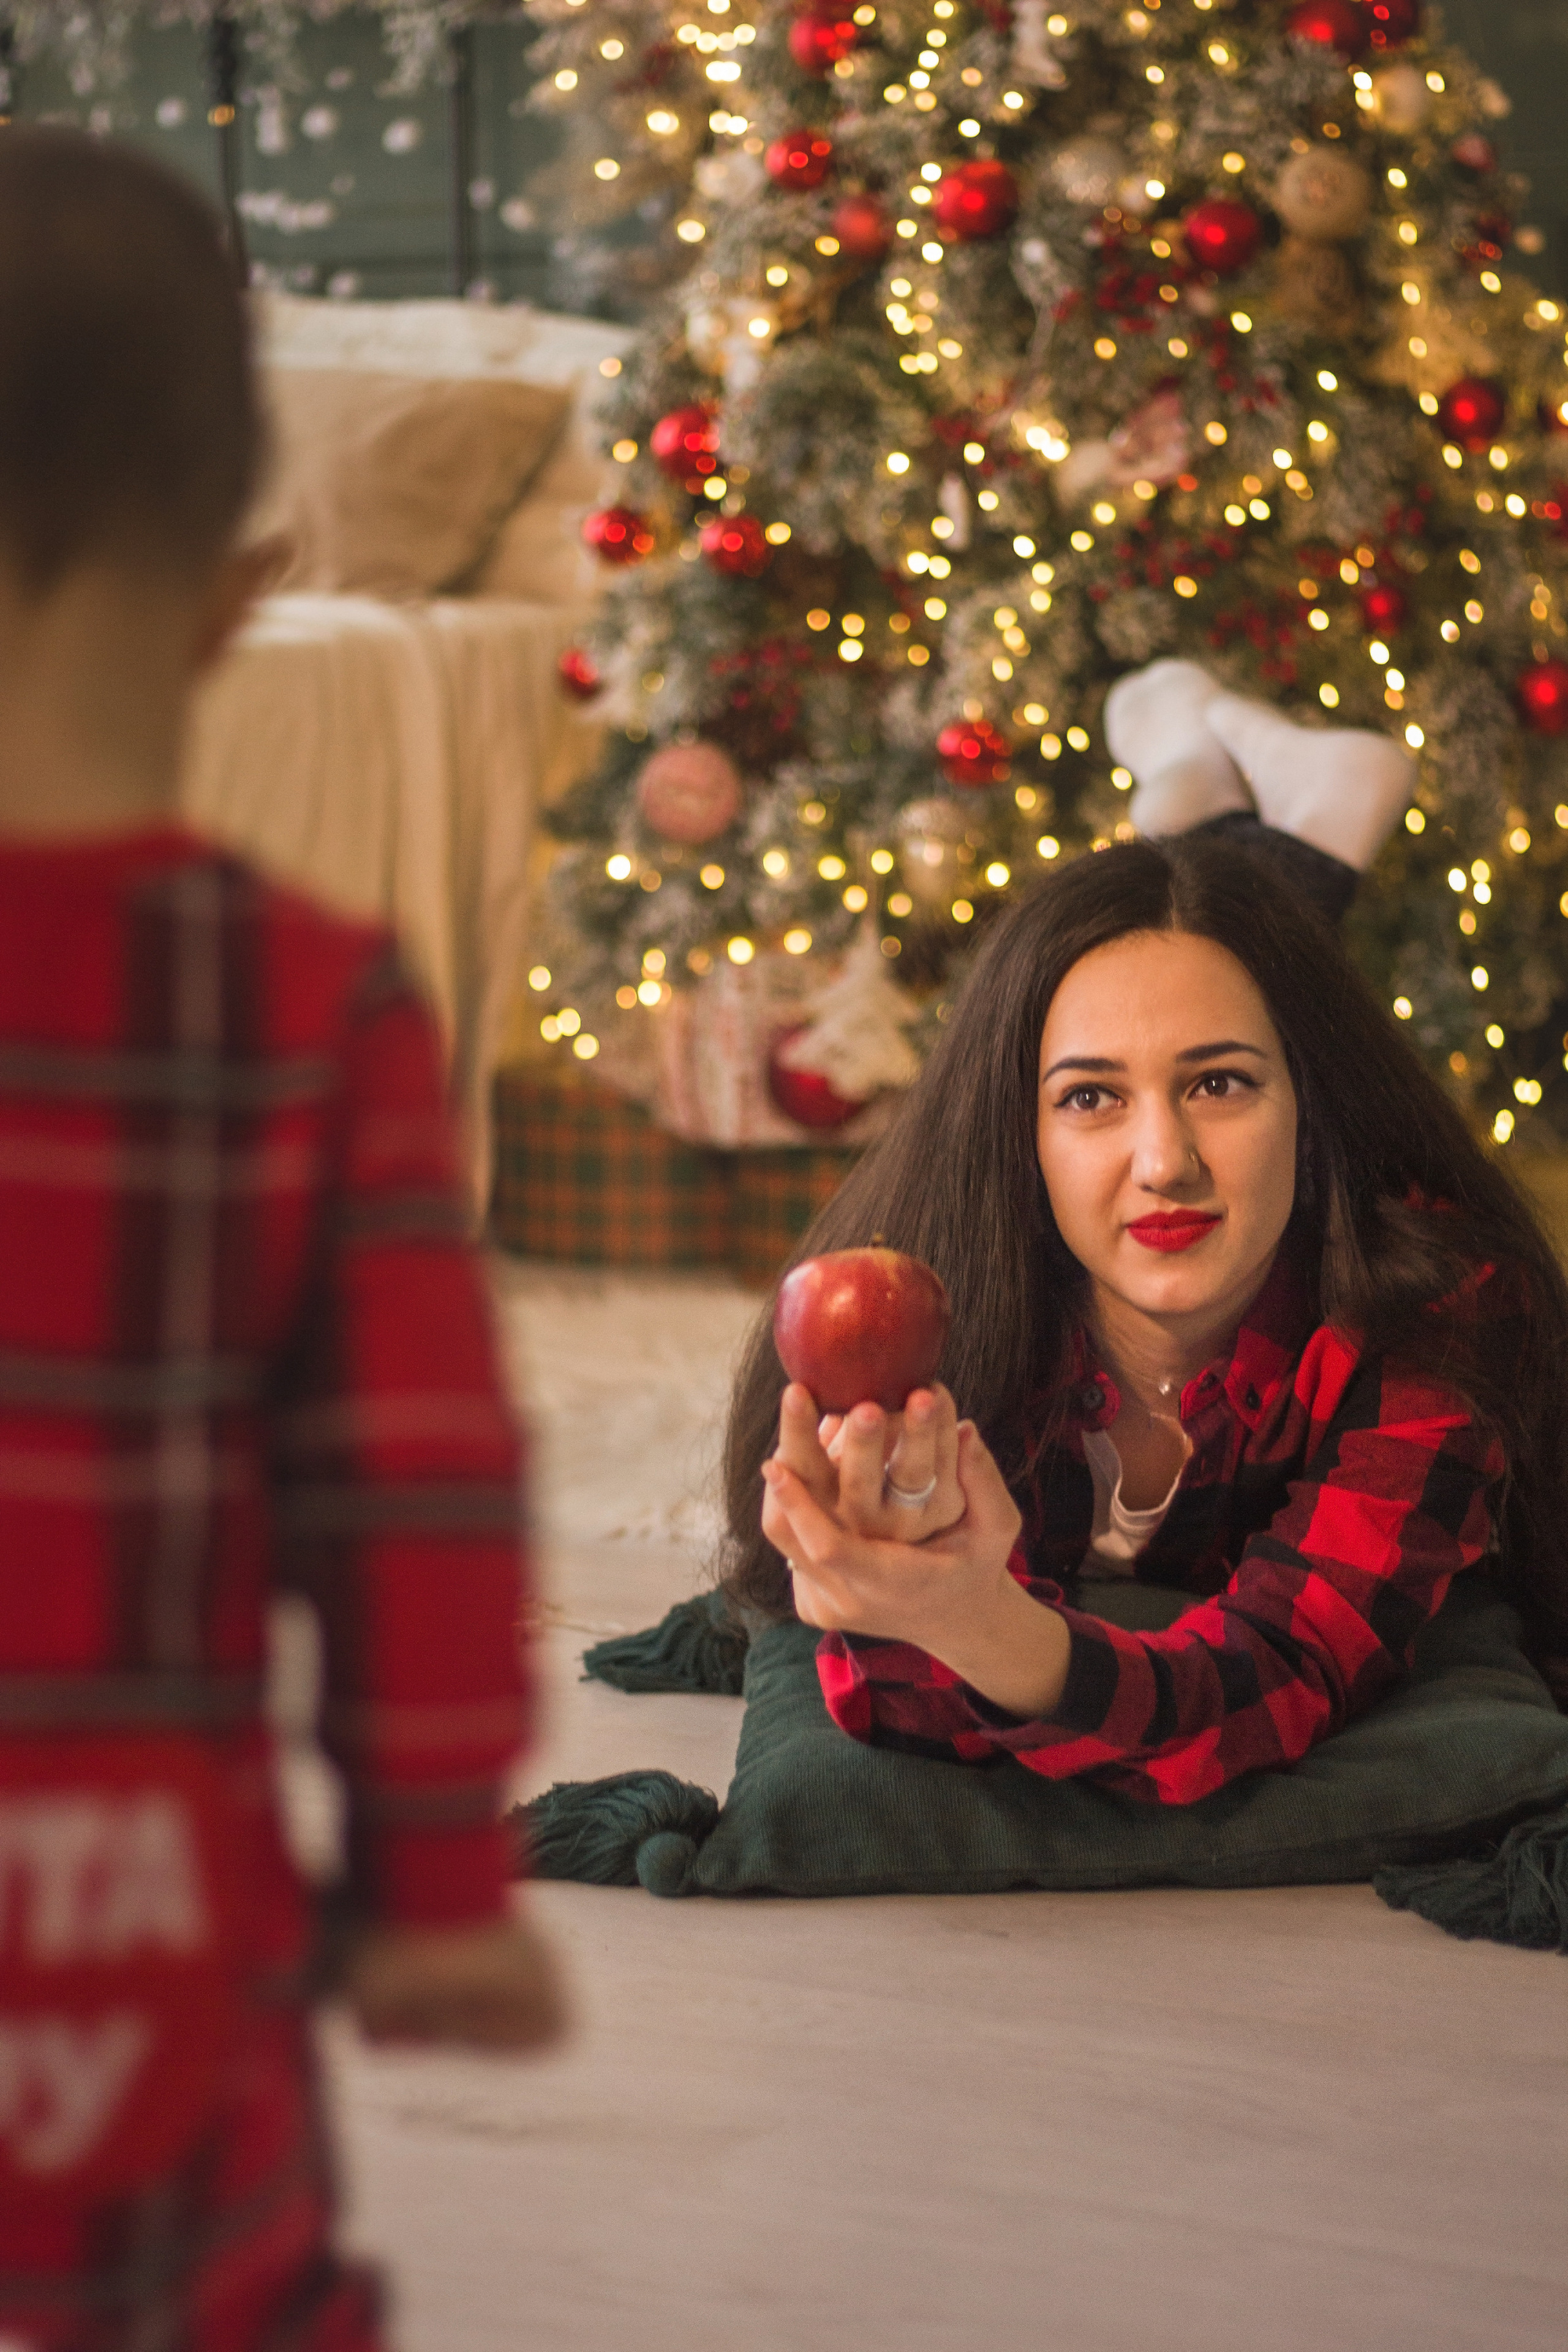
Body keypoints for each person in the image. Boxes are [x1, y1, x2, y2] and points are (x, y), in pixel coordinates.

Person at [0, 129, 562, 2345]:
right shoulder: (306, 1007)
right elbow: (415, 1489)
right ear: (247, 587)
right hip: (137, 1920)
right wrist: (436, 1889)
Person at [725, 776, 1568, 1801]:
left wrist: (975, 1623)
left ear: (1312, 1101)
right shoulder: (917, 1316)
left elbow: (1275, 1679)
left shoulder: (1442, 1304)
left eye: (1220, 1084)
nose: (1164, 1161)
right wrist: (888, 1570)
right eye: (1091, 1097)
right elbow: (878, 1686)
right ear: (1021, 1134)